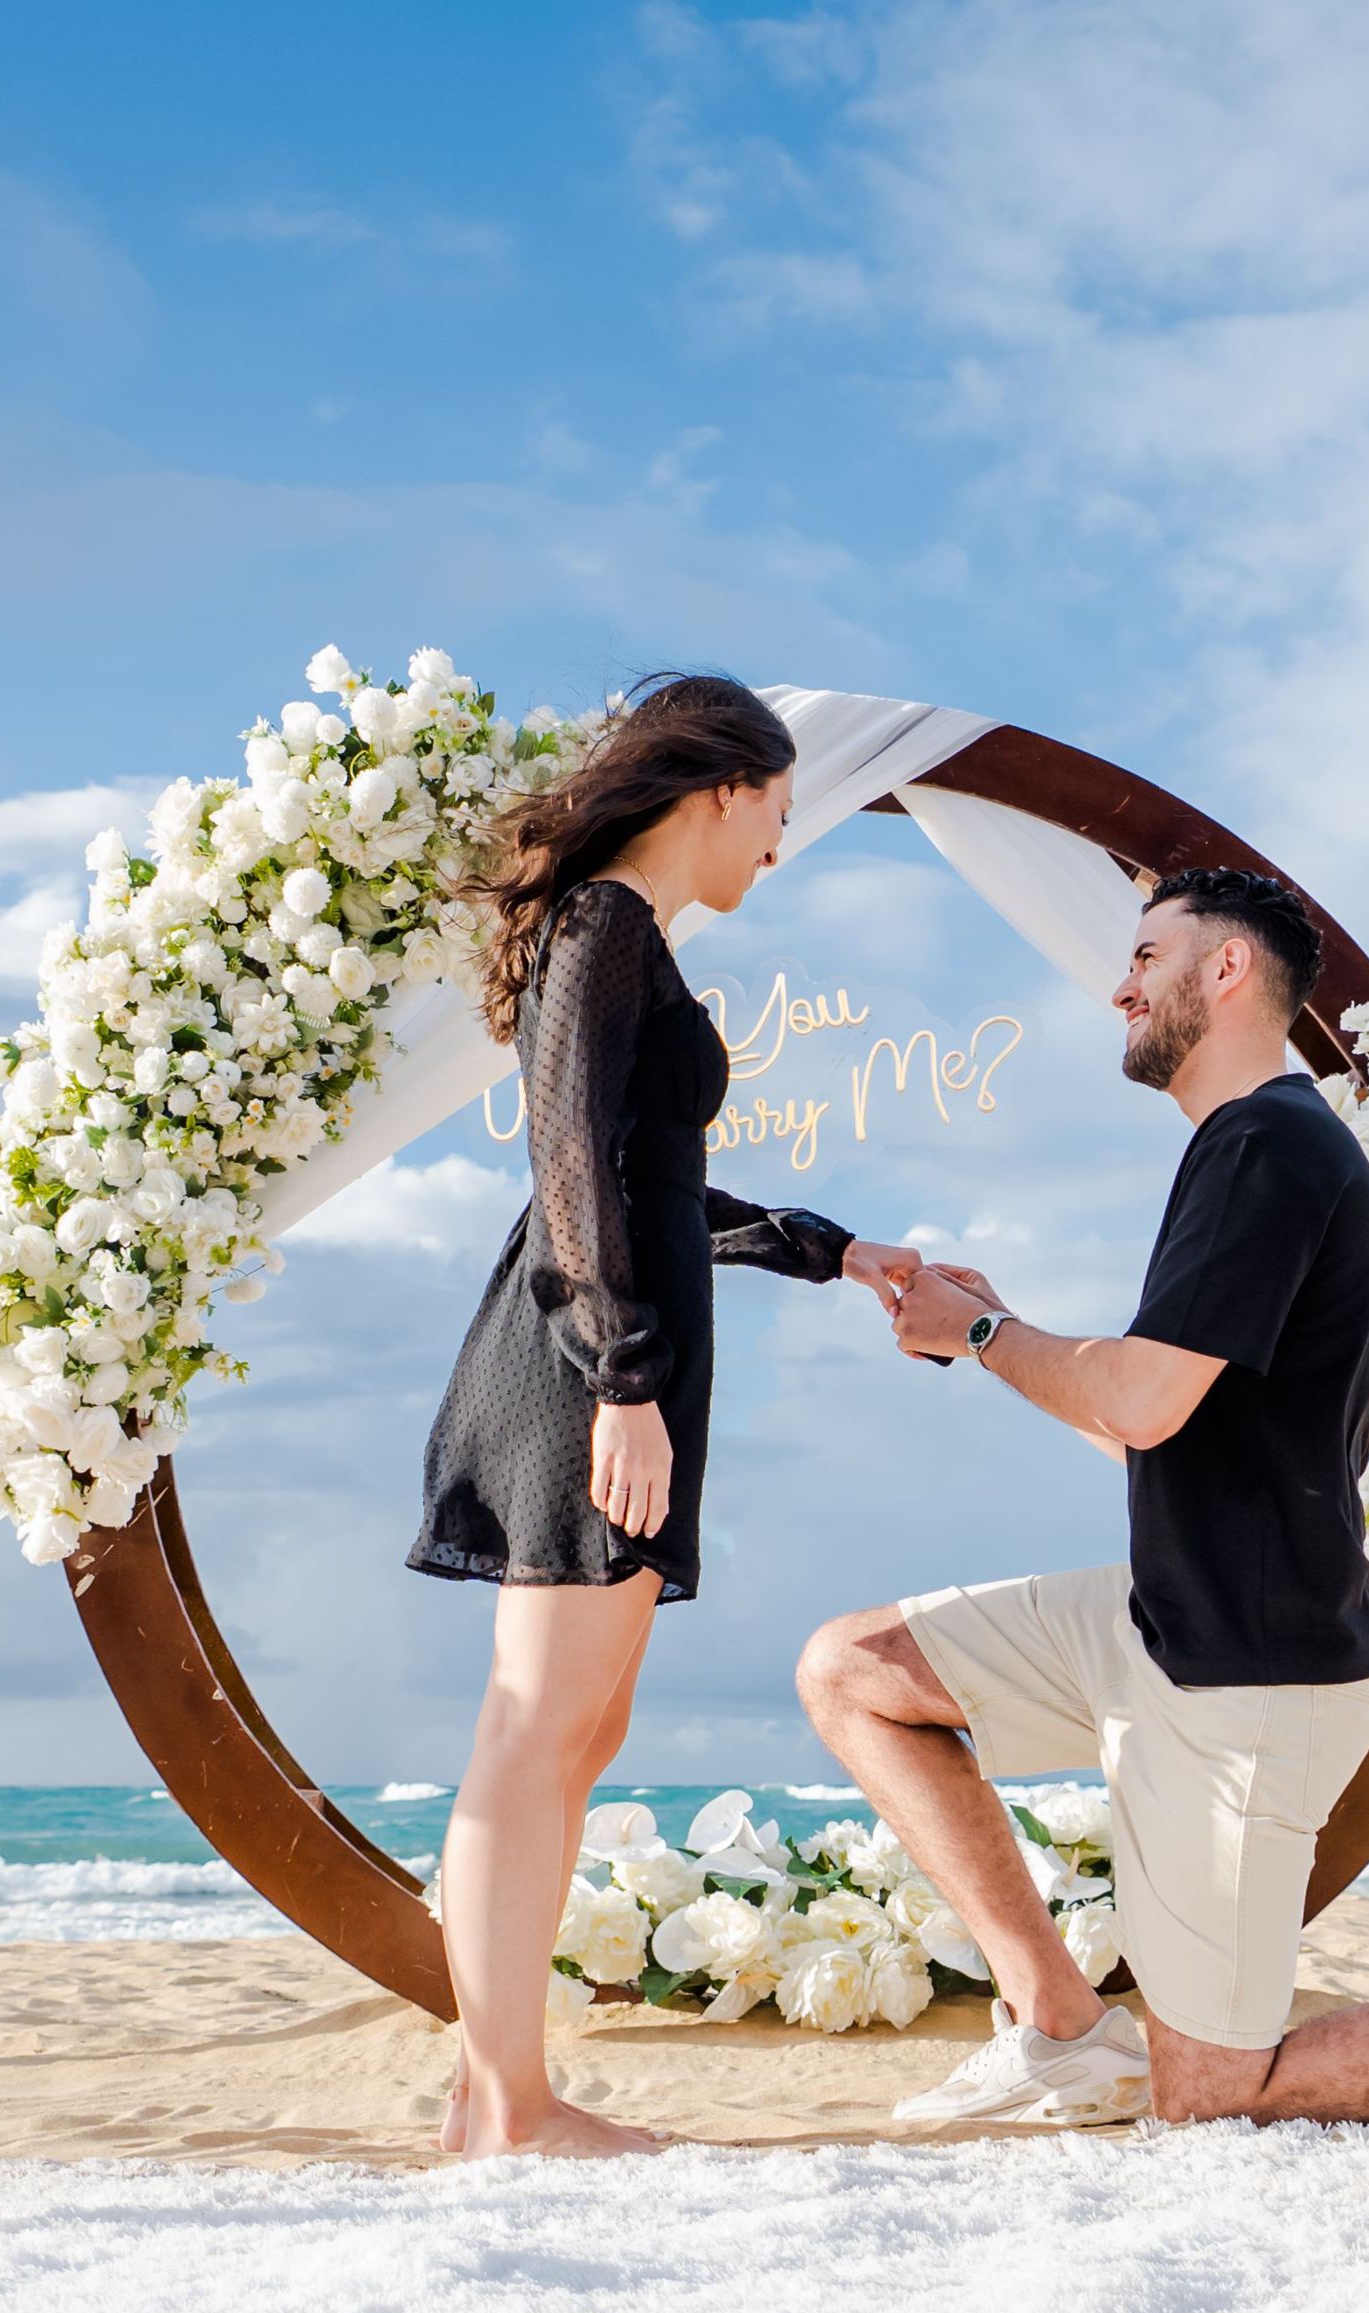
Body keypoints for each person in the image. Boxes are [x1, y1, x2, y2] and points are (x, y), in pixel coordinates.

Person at [795, 868, 1369, 2126]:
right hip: (1165, 1619)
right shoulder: (1243, 1148)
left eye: (1146, 955)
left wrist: (985, 1330)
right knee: (853, 1671)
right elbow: (1159, 1434)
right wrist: (988, 1334)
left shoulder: (1270, 1143)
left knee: (1216, 2095)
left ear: (1227, 971)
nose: (1118, 985)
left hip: (1252, 1676)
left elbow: (1142, 1400)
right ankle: (1059, 2025)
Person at [412, 674, 916, 2159]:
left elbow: (656, 1183)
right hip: (579, 1370)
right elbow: (568, 1166)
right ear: (715, 790)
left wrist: (831, 1250)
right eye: (777, 809)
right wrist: (623, 1387)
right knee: (533, 1728)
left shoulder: (623, 937)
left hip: (605, 1357)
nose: (780, 841)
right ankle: (510, 2107)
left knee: (574, 1731)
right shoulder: (607, 929)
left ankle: (490, 2093)